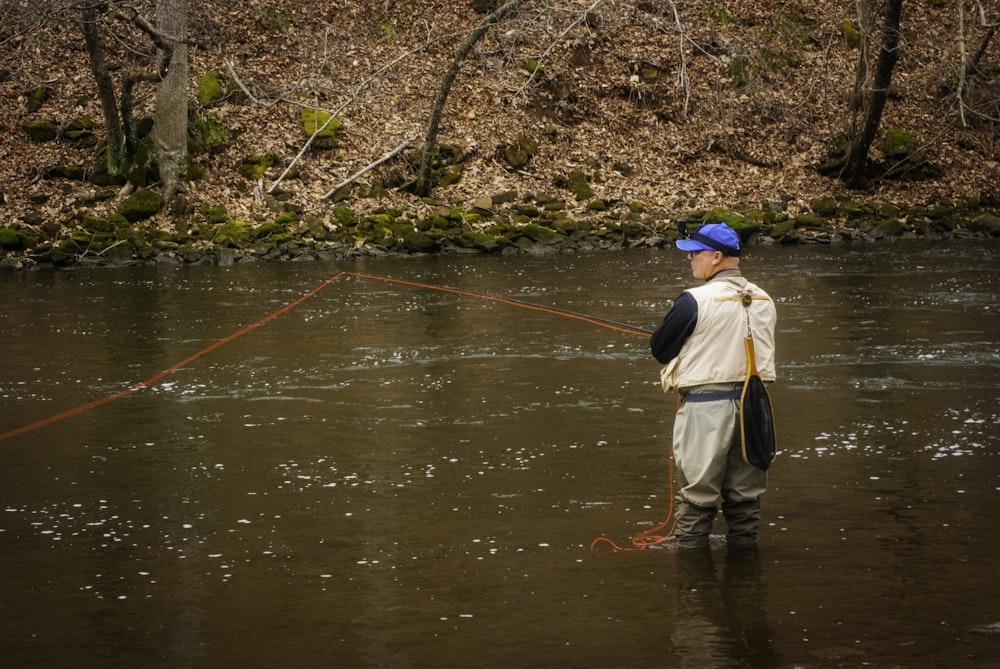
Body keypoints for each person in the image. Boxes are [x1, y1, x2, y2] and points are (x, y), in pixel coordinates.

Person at [650, 222, 776, 550]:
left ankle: (694, 589)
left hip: (707, 409)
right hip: (756, 409)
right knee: (746, 503)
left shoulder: (693, 300)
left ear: (717, 257)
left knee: (696, 499)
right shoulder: (764, 298)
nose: (689, 258)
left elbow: (660, 350)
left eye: (695, 253)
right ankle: (746, 584)